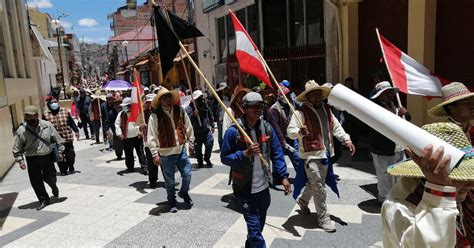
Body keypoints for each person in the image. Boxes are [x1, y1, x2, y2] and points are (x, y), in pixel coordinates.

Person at [382, 122, 474, 247]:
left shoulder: (461, 191)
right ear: (427, 174)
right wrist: (440, 192)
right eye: (459, 177)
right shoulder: (401, 207)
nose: (470, 184)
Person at [221, 92, 291, 248]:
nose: (258, 109)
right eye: (254, 106)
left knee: (258, 226)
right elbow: (224, 158)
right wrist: (244, 154)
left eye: (260, 106)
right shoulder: (234, 131)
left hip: (264, 188)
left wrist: (284, 176)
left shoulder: (267, 128)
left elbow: (277, 153)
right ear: (245, 108)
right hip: (244, 188)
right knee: (254, 229)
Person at [287, 80, 356, 232]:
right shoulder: (300, 113)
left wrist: (346, 139)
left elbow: (336, 126)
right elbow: (290, 131)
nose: (317, 97)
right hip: (310, 156)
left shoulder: (327, 110)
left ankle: (303, 200)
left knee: (315, 184)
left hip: (325, 154)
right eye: (314, 95)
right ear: (308, 97)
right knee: (319, 187)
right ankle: (323, 219)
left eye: (319, 94)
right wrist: (299, 132)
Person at [427, 82, 474, 246]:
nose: (472, 106)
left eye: (472, 102)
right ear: (452, 108)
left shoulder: (471, 131)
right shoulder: (443, 133)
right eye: (466, 103)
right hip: (456, 196)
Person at [147, 87, 195, 213]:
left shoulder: (180, 110)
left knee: (187, 174)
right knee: (170, 181)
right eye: (164, 98)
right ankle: (172, 201)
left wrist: (191, 142)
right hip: (165, 154)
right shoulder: (155, 115)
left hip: (181, 151)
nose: (167, 99)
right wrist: (154, 154)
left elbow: (188, 127)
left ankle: (183, 193)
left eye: (169, 97)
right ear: (160, 101)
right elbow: (151, 136)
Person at [13, 106, 65, 210]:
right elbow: (17, 148)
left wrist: (60, 152)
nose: (29, 119)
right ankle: (44, 200)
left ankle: (53, 186)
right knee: (36, 181)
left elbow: (58, 140)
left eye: (31, 116)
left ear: (37, 116)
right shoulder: (22, 130)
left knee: (50, 177)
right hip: (32, 159)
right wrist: (20, 161)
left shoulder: (47, 125)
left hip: (46, 156)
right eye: (27, 117)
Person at [369, 81, 410, 203]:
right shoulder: (374, 108)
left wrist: (405, 113)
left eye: (390, 92)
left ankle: (397, 196)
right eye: (386, 93)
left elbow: (406, 120)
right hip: (382, 148)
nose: (390, 95)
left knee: (399, 174)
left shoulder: (395, 105)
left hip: (398, 147)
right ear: (379, 95)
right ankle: (384, 199)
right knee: (385, 176)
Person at [269, 83, 301, 184]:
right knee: (278, 158)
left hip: (292, 137)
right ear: (280, 96)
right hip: (279, 139)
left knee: (296, 156)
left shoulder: (292, 105)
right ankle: (278, 177)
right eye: (285, 95)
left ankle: (301, 176)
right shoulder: (274, 109)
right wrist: (282, 141)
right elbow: (276, 126)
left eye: (288, 95)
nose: (288, 97)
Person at [43, 98, 80, 175]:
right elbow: (43, 127)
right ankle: (63, 169)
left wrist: (76, 131)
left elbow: (71, 122)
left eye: (55, 102)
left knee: (70, 154)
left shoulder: (65, 111)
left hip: (67, 137)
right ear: (49, 105)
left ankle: (70, 165)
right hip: (54, 140)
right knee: (58, 156)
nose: (54, 104)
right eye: (52, 103)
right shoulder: (46, 114)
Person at [114, 97, 147, 174]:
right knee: (128, 154)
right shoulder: (121, 114)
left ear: (130, 106)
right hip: (126, 138)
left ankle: (144, 167)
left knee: (141, 153)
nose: (124, 108)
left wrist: (141, 131)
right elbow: (117, 124)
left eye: (125, 106)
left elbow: (142, 123)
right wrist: (119, 133)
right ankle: (130, 167)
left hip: (137, 137)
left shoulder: (137, 113)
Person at [186, 90, 215, 168]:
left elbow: (210, 114)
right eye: (199, 97)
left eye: (201, 97)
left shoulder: (204, 105)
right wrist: (194, 115)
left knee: (210, 143)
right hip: (196, 132)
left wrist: (212, 124)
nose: (201, 99)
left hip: (206, 131)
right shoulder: (190, 108)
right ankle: (200, 161)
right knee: (198, 149)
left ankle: (207, 158)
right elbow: (187, 121)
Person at [143, 93, 162, 188]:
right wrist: (140, 127)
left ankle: (168, 179)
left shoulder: (161, 112)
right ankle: (153, 180)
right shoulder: (143, 114)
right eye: (148, 103)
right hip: (148, 143)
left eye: (152, 102)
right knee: (151, 164)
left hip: (161, 142)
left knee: (164, 163)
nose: (150, 105)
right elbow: (136, 124)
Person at [216, 82, 231, 149]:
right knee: (221, 132)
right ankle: (222, 146)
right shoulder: (217, 97)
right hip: (221, 116)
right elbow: (217, 109)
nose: (225, 90)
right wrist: (220, 117)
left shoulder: (229, 96)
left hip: (229, 115)